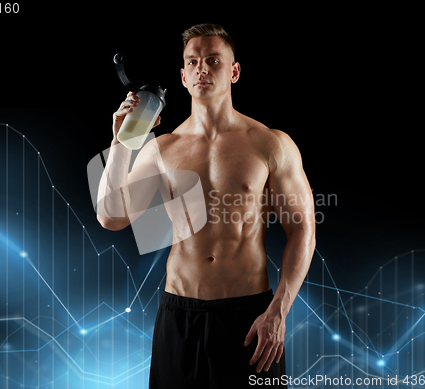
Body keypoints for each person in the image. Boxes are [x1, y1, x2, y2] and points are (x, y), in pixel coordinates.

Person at [96, 23, 316, 389]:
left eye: (213, 60)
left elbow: (303, 229)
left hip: (249, 317)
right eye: (193, 61)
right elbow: (111, 217)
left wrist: (278, 311)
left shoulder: (271, 144)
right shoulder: (162, 148)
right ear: (183, 77)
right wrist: (121, 143)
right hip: (178, 315)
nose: (203, 68)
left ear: (234, 71)